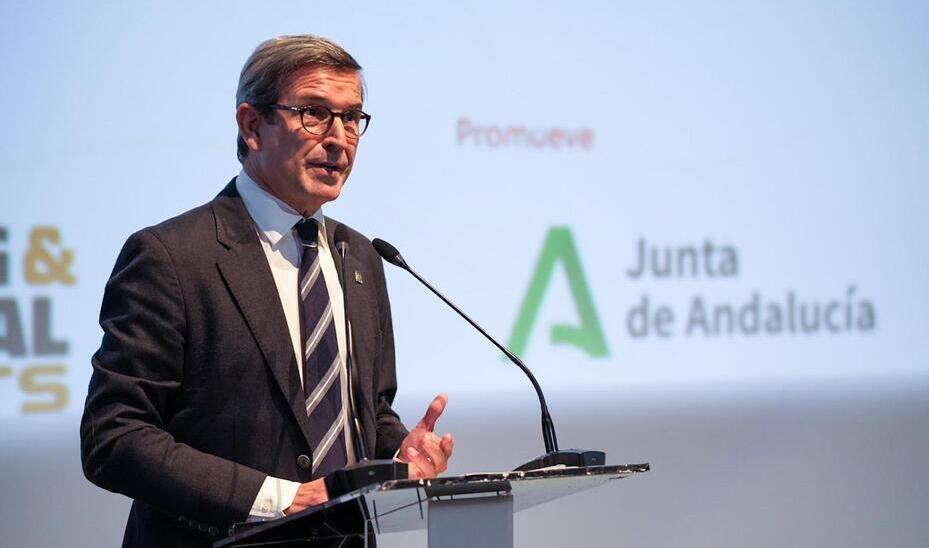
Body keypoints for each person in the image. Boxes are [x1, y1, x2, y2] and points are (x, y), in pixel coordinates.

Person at [80, 35, 454, 548]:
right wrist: (280, 500)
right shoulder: (172, 257)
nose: (339, 139)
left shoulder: (362, 257)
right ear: (252, 126)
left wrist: (397, 456)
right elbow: (115, 438)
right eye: (314, 113)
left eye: (351, 118)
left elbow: (364, 412)